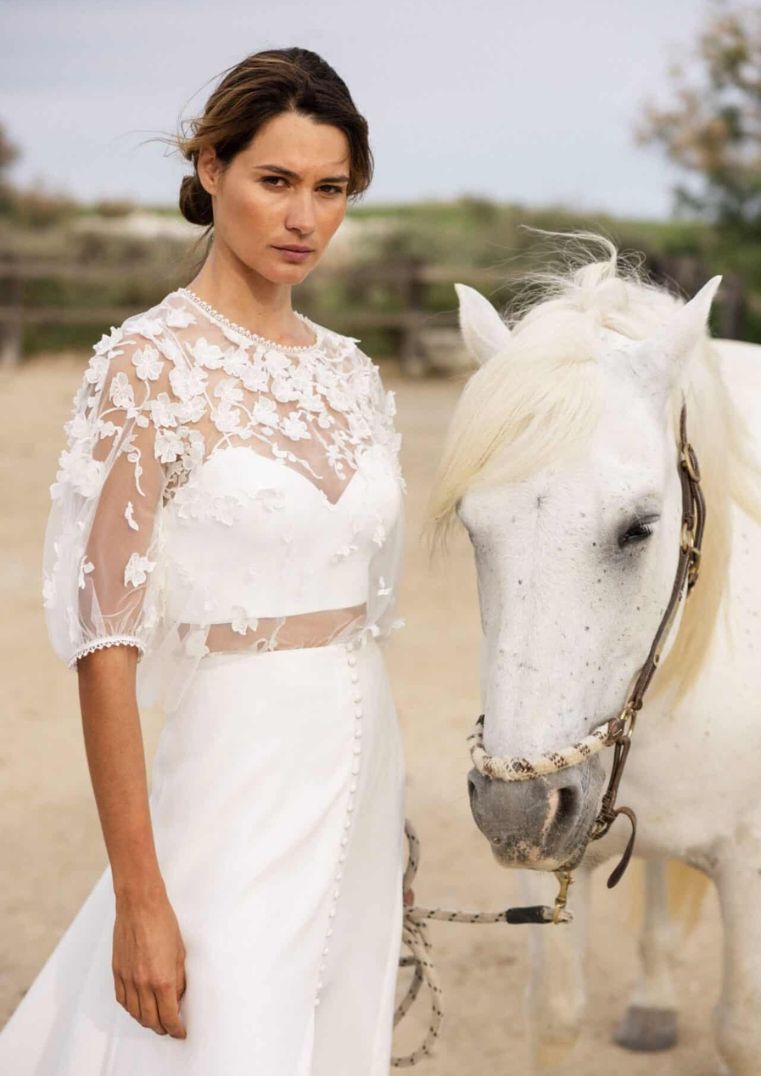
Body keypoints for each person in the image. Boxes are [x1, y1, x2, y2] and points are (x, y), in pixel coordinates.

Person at [0, 47, 409, 1075]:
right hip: (232, 778)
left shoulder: (351, 373)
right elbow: (104, 644)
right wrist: (139, 896)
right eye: (275, 180)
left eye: (330, 190)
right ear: (211, 166)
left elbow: (366, 608)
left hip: (362, 771)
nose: (302, 218)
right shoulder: (146, 366)